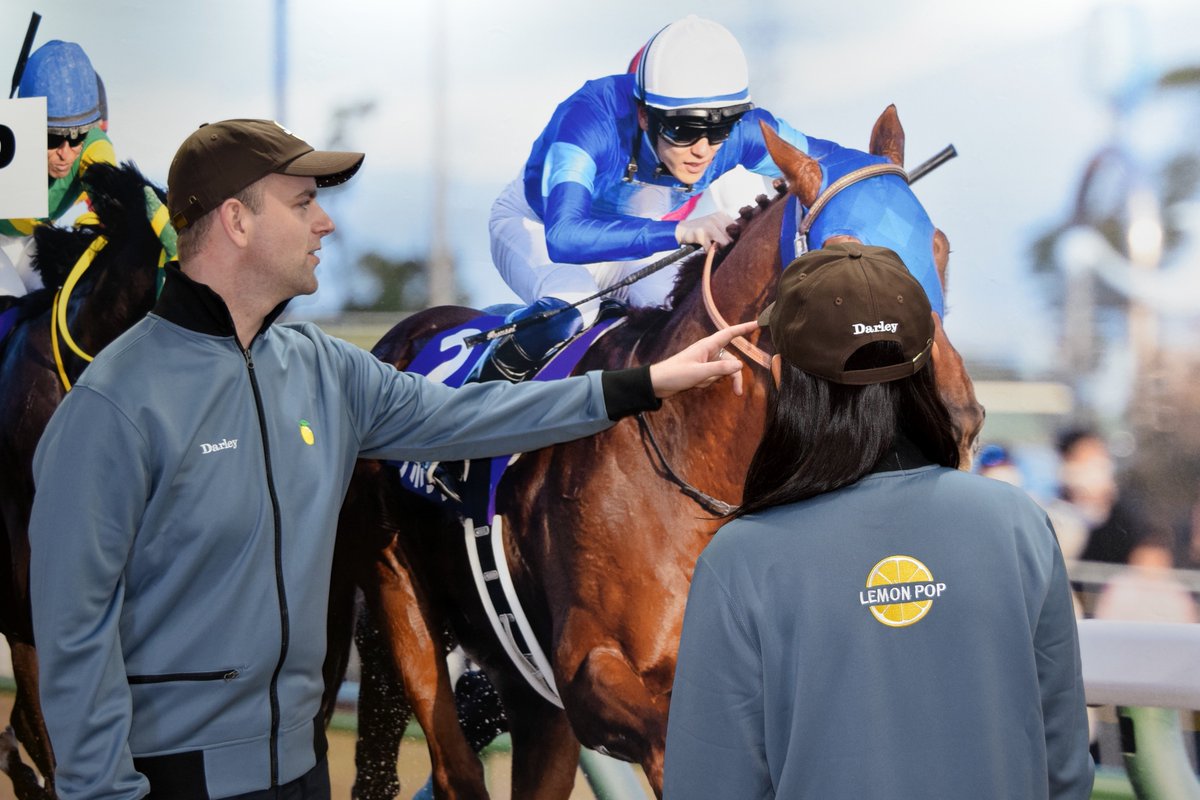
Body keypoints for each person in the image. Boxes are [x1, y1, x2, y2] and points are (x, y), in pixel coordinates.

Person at [28, 118, 755, 800]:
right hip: (174, 778)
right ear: (236, 220)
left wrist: (647, 384)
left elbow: (470, 416)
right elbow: (72, 630)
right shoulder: (113, 406)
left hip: (300, 769)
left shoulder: (321, 368)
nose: (327, 222)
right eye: (304, 203)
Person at [663, 243, 1093, 799]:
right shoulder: (1020, 525)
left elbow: (710, 787)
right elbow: (1065, 765)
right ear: (925, 365)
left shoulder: (740, 559)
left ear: (780, 371)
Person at [481, 15, 853, 381]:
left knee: (691, 319)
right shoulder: (590, 118)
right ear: (645, 116)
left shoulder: (745, 133)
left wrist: (890, 171)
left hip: (627, 248)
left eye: (720, 128)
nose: (703, 150)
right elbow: (564, 236)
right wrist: (678, 233)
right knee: (571, 309)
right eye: (683, 130)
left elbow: (839, 165)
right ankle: (475, 404)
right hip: (536, 227)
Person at [0, 40, 118, 297]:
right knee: (11, 300)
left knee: (61, 300)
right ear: (25, 126)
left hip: (31, 239)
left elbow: (111, 200)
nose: (66, 153)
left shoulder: (95, 147)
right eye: (53, 139)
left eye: (78, 137)